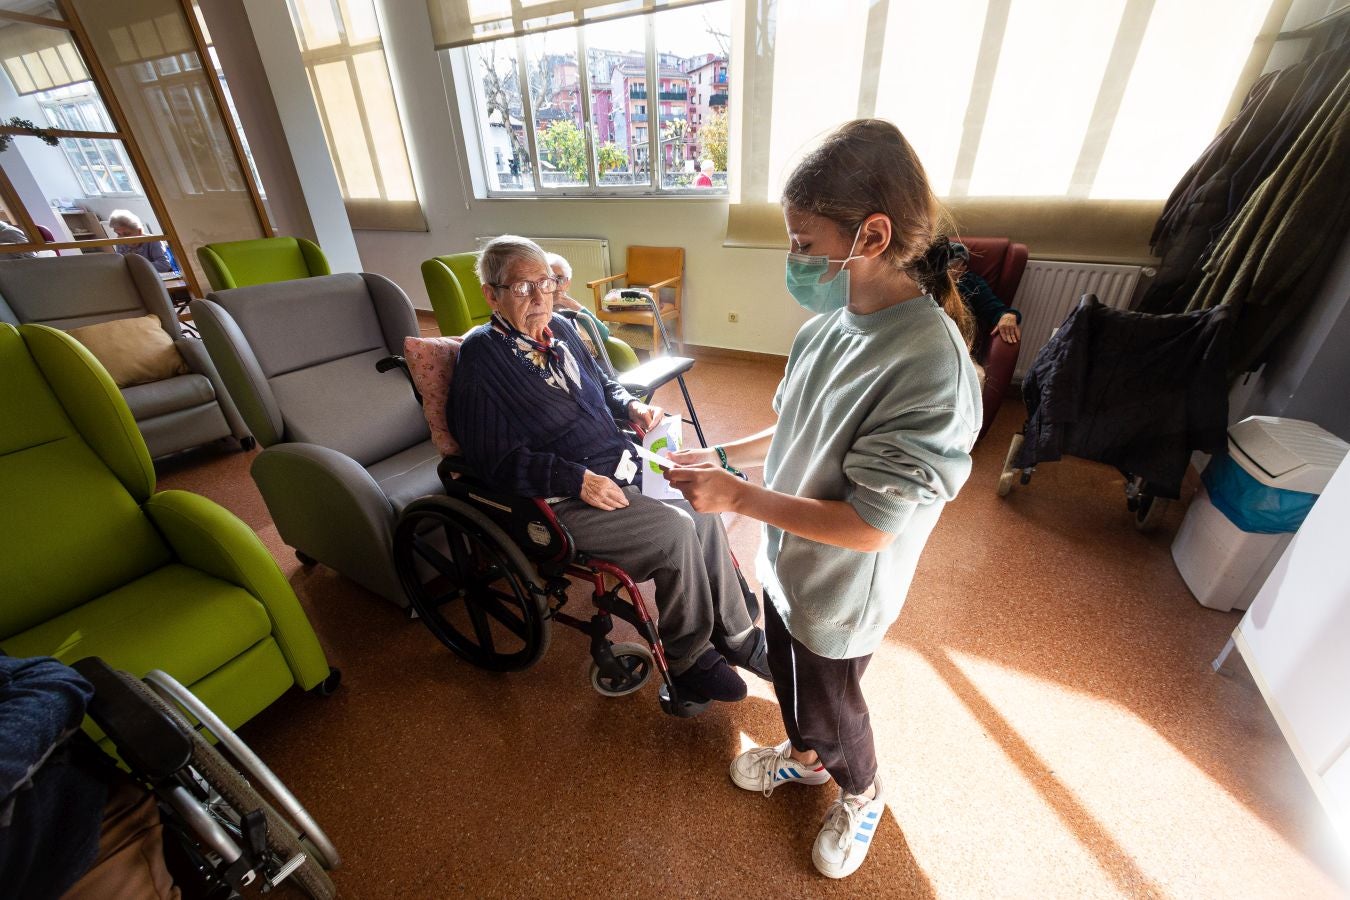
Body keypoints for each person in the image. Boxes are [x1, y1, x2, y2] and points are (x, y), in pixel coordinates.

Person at [666, 119, 981, 879]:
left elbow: (872, 528)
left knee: (837, 712)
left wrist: (738, 495)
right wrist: (724, 456)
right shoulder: (829, 328)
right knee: (792, 684)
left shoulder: (930, 366)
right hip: (787, 561)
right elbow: (795, 429)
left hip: (842, 587)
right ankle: (805, 761)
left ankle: (860, 790)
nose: (795, 261)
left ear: (871, 236)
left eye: (804, 244)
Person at [448, 235, 767, 706]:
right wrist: (573, 478)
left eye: (547, 282)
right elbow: (493, 458)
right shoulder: (482, 357)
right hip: (562, 496)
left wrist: (633, 407)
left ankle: (736, 634)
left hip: (620, 463)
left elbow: (606, 386)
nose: (541, 297)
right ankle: (689, 659)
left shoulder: (563, 328)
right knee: (676, 530)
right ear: (491, 294)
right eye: (523, 288)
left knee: (702, 501)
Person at [949, 241, 1021, 346]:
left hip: (955, 340)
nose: (945, 273)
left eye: (951, 268)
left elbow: (996, 309)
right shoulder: (923, 280)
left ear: (963, 269)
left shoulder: (971, 283)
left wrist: (1008, 316)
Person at [545, 251, 610, 360]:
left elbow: (602, 335)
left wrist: (573, 305)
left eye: (560, 279)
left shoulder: (571, 307)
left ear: (568, 284)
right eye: (549, 280)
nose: (555, 285)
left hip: (591, 362)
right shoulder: (538, 311)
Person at [108, 210, 175, 274]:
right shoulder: (119, 241)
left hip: (156, 278)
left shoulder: (153, 240)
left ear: (139, 231)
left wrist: (136, 267)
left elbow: (164, 265)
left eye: (127, 234)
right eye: (118, 234)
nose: (122, 238)